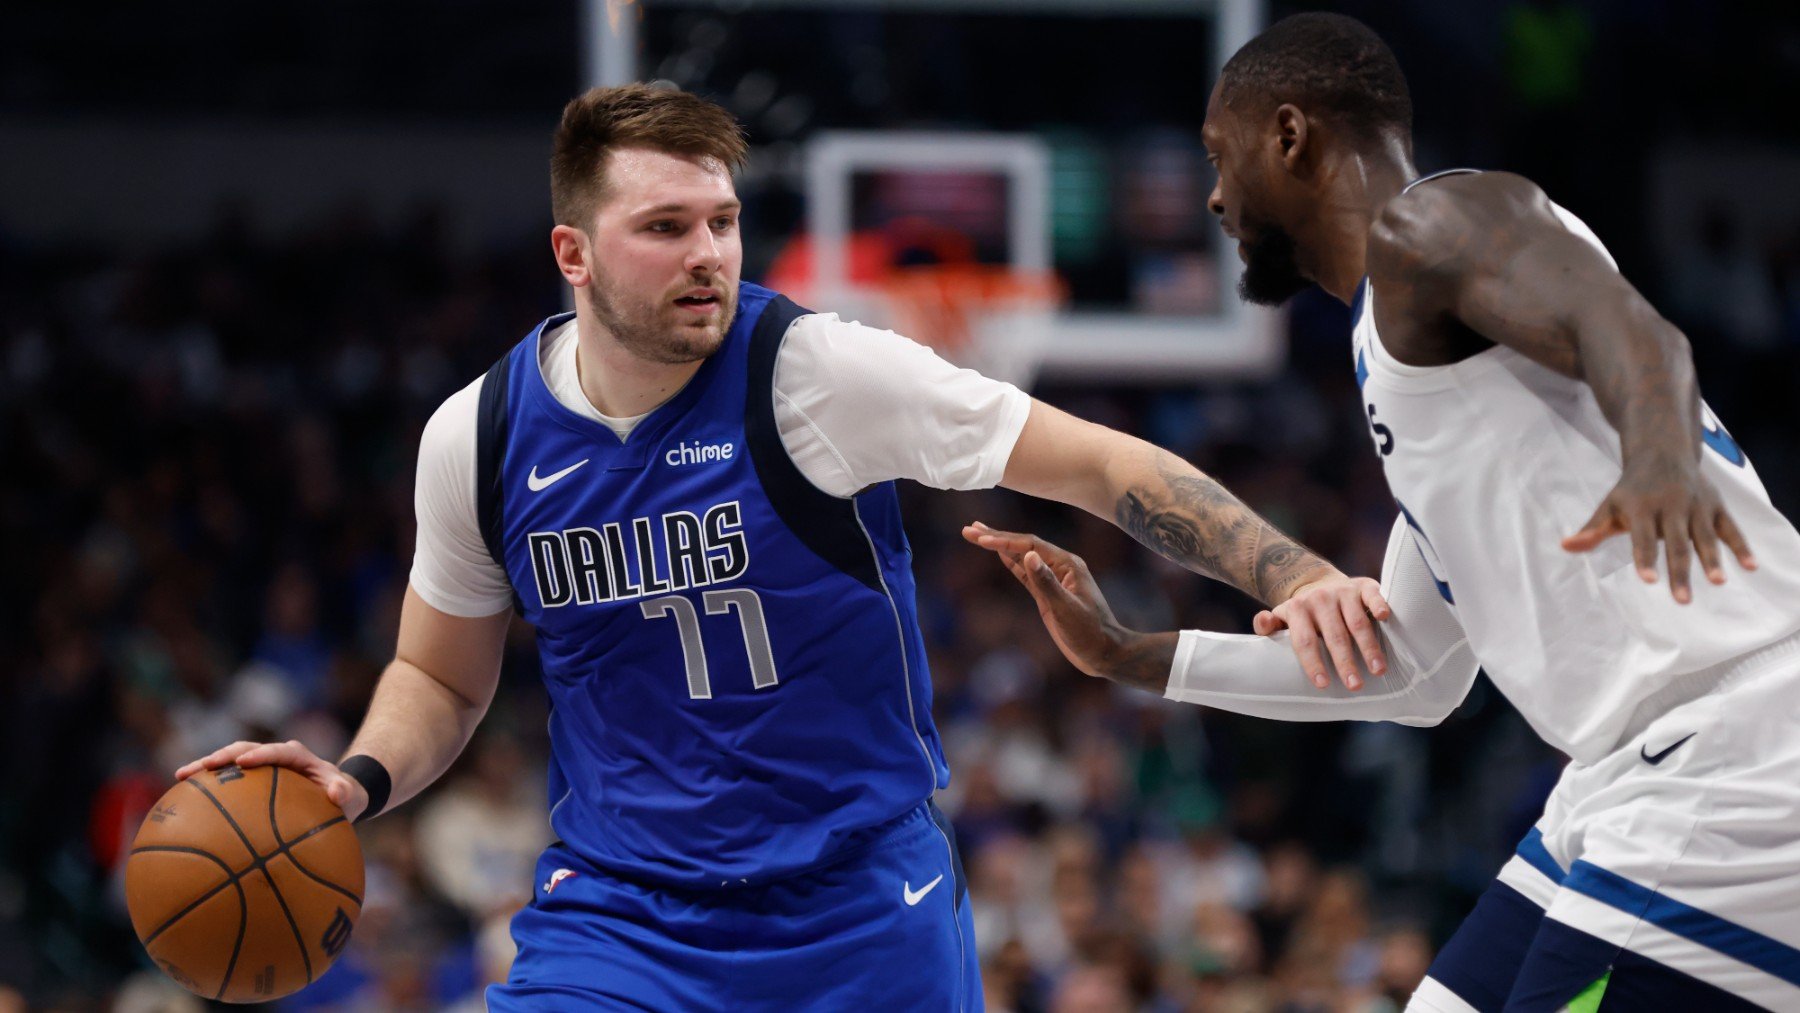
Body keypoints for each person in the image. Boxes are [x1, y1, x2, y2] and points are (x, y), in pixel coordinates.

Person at [174, 84, 1386, 1010]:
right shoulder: (479, 436)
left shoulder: (814, 374)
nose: (708, 253)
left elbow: (1101, 461)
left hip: (858, 901)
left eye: (724, 221)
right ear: (573, 253)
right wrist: (358, 777)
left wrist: (1296, 571)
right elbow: (441, 675)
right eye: (665, 227)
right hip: (625, 917)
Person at [966, 13, 1800, 1011]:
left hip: (1738, 752)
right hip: (1624, 773)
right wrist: (1133, 655)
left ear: (1290, 133)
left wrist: (1660, 459)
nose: (1216, 195)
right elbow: (1407, 673)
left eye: (1219, 155)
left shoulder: (1432, 225)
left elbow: (1632, 330)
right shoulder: (1424, 369)